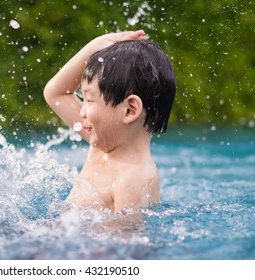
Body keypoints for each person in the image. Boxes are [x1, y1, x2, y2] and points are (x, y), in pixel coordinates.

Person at [43, 30, 176, 213]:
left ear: (129, 110)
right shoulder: (101, 145)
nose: (82, 110)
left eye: (89, 100)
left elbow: (125, 239)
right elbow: (56, 93)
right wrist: (94, 46)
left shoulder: (133, 179)